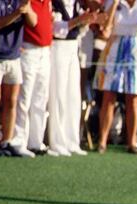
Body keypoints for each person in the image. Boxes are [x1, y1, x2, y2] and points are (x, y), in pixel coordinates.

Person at [94, 0, 137, 154]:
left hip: (136, 49)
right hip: (115, 47)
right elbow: (105, 27)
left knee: (133, 98)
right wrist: (113, 5)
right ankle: (102, 141)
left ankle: (132, 142)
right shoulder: (113, 2)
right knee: (109, 96)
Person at [48, 0, 99, 156]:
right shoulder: (55, 3)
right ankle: (57, 141)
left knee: (73, 96)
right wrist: (78, 20)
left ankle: (72, 140)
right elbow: (55, 29)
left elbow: (79, 30)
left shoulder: (76, 3)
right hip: (58, 47)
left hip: (73, 47)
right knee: (59, 95)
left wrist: (86, 21)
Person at [0, 0, 37, 157]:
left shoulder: (20, 1)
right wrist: (17, 13)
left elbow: (34, 22)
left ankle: (7, 140)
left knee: (12, 101)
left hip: (14, 56)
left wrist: (28, 10)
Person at [11, 0, 51, 156]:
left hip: (45, 51)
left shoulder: (47, 1)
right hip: (28, 50)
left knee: (41, 99)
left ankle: (36, 141)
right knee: (24, 98)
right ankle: (19, 140)